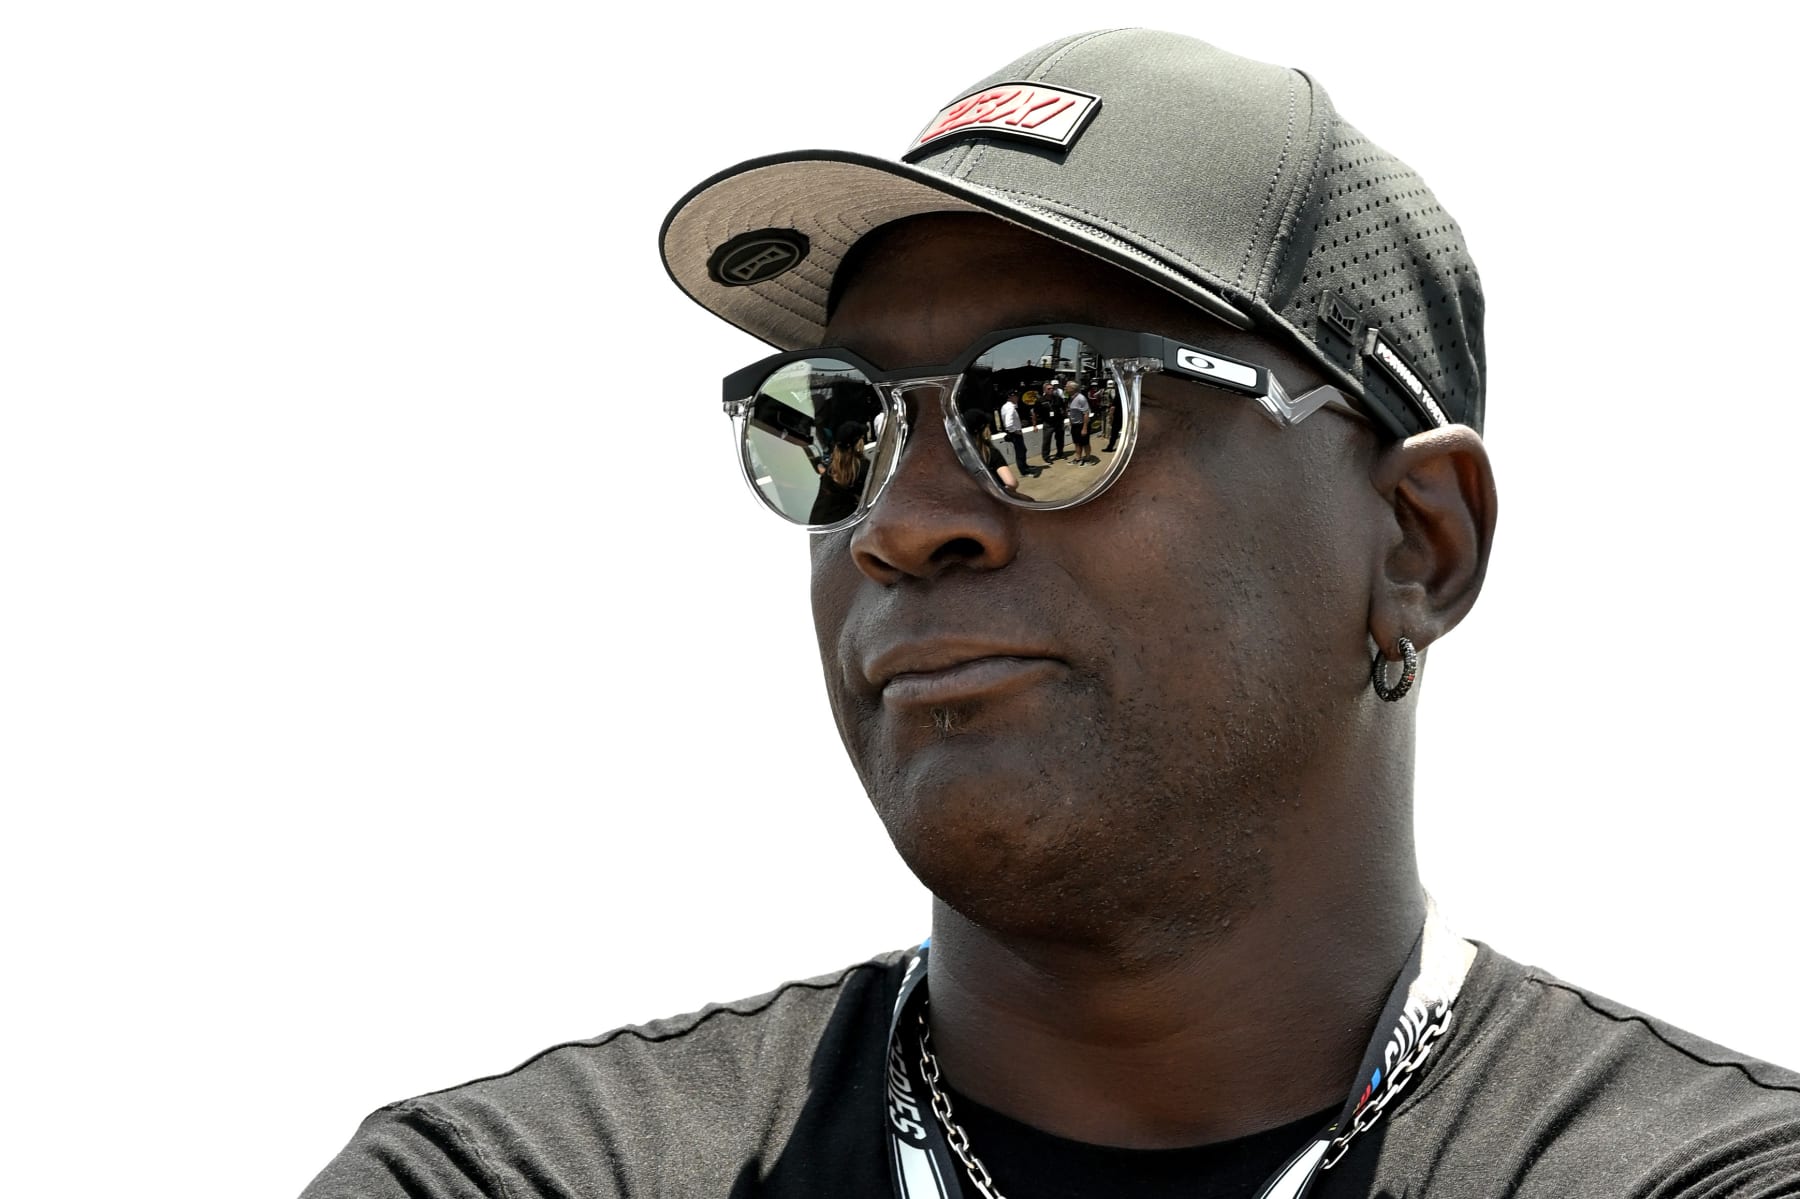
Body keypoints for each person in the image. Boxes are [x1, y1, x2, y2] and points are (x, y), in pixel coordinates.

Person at [305, 28, 1800, 1198]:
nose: (898, 522)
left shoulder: (1691, 1174)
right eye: (837, 425)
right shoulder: (531, 1175)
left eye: (1050, 404)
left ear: (1420, 542)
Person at [997, 388, 1035, 479]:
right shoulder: (1010, 407)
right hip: (1015, 434)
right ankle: (1024, 471)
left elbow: (1010, 421)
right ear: (1010, 397)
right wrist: (1016, 431)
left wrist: (1020, 424)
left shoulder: (1007, 406)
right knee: (1020, 452)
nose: (1017, 397)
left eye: (1017, 396)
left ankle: (1025, 466)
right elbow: (1008, 424)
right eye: (1015, 396)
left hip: (1014, 432)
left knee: (1023, 450)